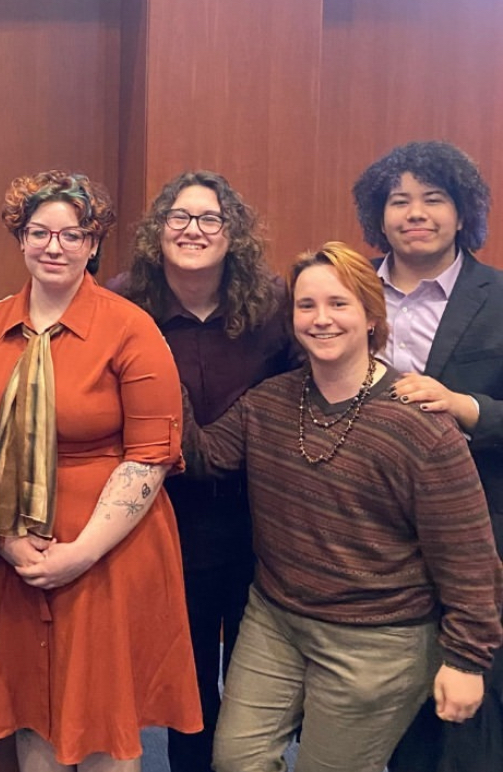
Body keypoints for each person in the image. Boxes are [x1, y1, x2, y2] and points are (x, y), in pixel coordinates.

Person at [181, 242, 503, 772]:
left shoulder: (418, 422)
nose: (321, 319)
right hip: (276, 622)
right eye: (306, 306)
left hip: (377, 639)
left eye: (339, 304)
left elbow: (469, 554)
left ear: (372, 318)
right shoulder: (270, 402)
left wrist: (468, 661)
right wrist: (151, 366)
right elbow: (205, 454)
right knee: (236, 760)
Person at [0, 169, 201, 771]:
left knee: (100, 721)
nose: (53, 246)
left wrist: (80, 552)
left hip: (107, 553)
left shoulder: (130, 327)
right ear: (21, 239)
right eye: (39, 232)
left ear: (93, 244)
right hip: (10, 552)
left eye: (71, 234)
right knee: (29, 702)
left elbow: (150, 455)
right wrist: (6, 540)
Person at [109, 170, 295, 772]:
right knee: (187, 690)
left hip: (257, 521)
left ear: (231, 232)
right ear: (157, 233)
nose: (193, 230)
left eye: (209, 218)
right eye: (179, 218)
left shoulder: (273, 306)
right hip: (162, 519)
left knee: (252, 687)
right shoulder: (123, 303)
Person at [351, 140, 503, 772]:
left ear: (462, 212)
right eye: (399, 201)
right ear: (378, 216)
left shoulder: (497, 297)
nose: (416, 213)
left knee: (470, 710)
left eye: (433, 199)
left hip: (479, 528)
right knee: (388, 708)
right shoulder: (347, 292)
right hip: (369, 534)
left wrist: (464, 406)